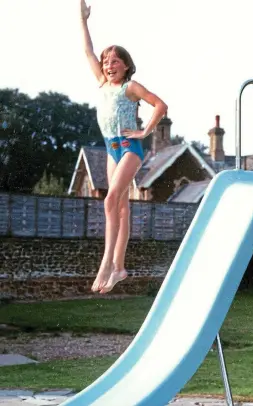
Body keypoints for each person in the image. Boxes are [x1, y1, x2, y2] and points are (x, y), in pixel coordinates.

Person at [80, 0, 168, 294]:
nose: (108, 64)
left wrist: (145, 131)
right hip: (110, 148)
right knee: (121, 209)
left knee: (110, 200)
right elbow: (88, 51)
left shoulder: (130, 87)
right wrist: (83, 20)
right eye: (107, 61)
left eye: (115, 61)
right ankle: (119, 267)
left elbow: (160, 105)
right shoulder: (102, 83)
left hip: (130, 147)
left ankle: (106, 262)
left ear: (126, 65)